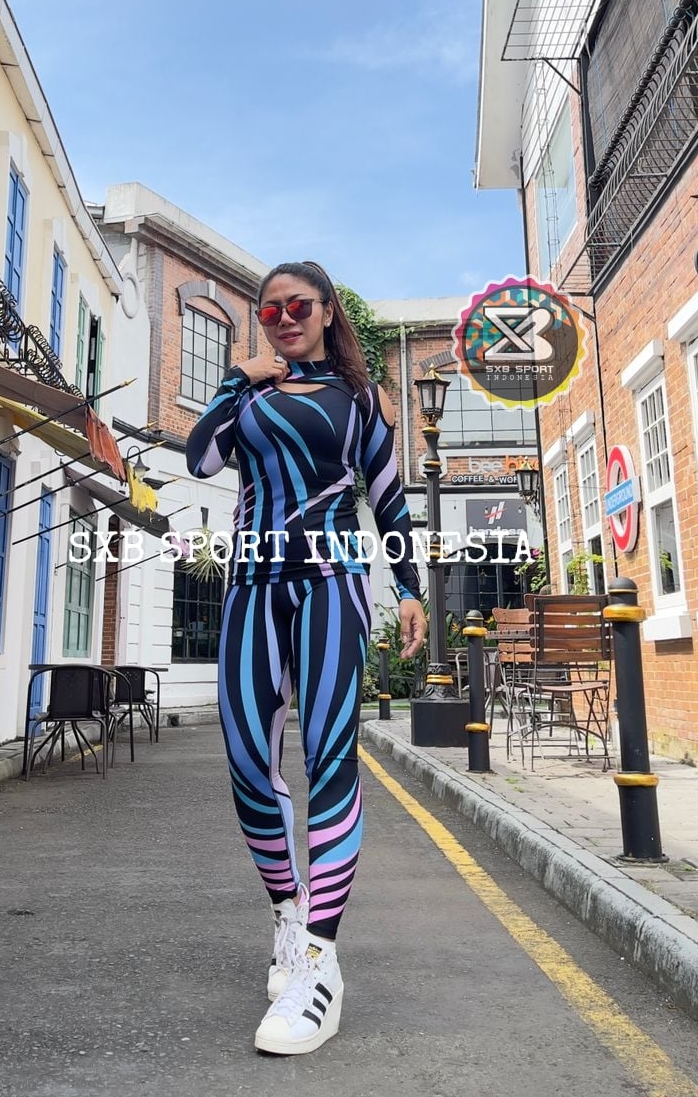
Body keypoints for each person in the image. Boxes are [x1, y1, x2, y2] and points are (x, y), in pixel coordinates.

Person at [185, 259, 427, 1056]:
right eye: (270, 311)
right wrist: (235, 378)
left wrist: (411, 589)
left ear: (326, 312)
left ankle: (320, 965)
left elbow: (387, 498)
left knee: (329, 762)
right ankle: (288, 915)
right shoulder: (249, 394)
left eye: (297, 306)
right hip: (252, 585)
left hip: (333, 584)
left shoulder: (362, 398)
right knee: (249, 766)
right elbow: (201, 460)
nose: (284, 318)